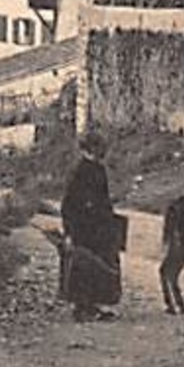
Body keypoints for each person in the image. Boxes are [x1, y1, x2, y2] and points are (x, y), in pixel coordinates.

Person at [60, 131, 124, 322]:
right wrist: (70, 230)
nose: (103, 151)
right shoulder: (83, 171)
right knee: (86, 265)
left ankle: (92, 305)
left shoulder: (96, 169)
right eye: (100, 147)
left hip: (97, 226)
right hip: (85, 227)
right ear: (91, 148)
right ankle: (83, 307)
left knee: (98, 264)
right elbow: (69, 204)